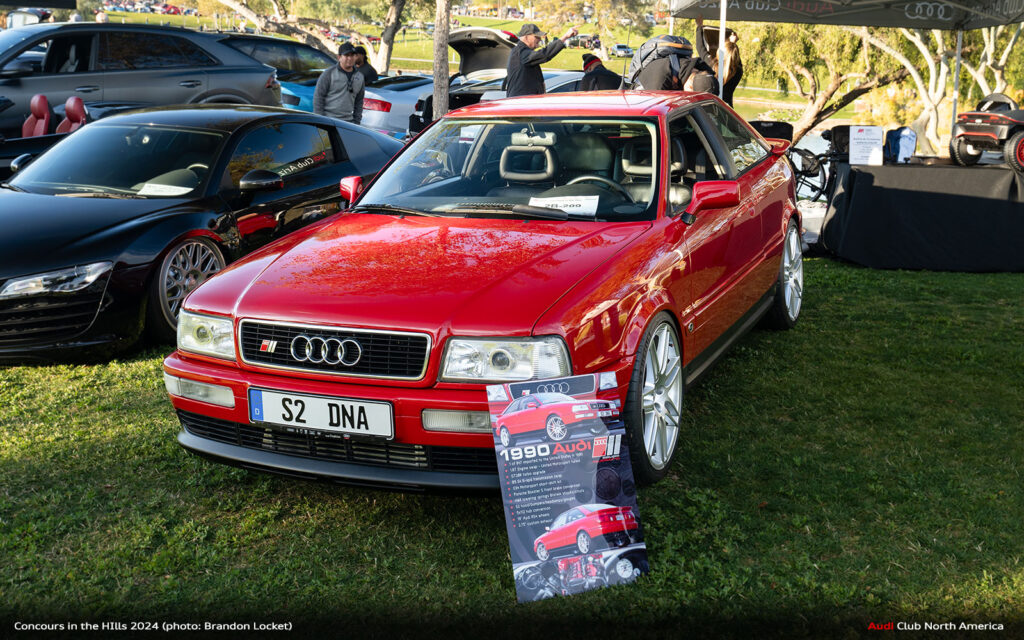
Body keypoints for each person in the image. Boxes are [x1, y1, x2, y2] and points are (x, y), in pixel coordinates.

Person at [504, 23, 578, 98]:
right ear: (526, 37)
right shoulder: (521, 52)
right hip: (521, 102)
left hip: (524, 101)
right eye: (537, 37)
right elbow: (544, 55)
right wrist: (565, 37)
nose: (539, 39)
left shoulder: (521, 52)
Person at [634, 37, 717, 93]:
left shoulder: (703, 69)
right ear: (690, 87)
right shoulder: (661, 79)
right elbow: (655, 110)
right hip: (641, 96)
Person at [695, 16, 743, 106]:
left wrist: (699, 27)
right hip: (727, 108)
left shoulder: (713, 65)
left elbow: (700, 48)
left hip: (713, 106)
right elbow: (735, 58)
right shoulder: (738, 72)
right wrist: (733, 44)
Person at [313, 42, 365, 124]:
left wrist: (356, 122)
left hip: (348, 122)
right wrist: (321, 120)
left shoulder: (360, 77)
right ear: (339, 57)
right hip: (328, 120)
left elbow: (359, 101)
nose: (350, 58)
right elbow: (318, 98)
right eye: (347, 55)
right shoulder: (329, 73)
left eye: (352, 55)